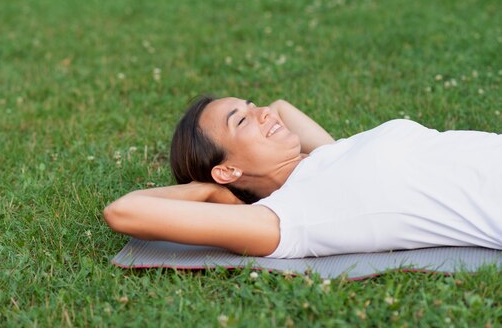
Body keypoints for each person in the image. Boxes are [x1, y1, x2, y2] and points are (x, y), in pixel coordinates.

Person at [104, 97, 502, 258]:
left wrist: (254, 125)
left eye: (249, 103)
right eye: (241, 119)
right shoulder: (287, 218)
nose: (263, 112)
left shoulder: (327, 155)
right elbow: (124, 211)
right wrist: (209, 191)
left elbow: (280, 106)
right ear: (227, 170)